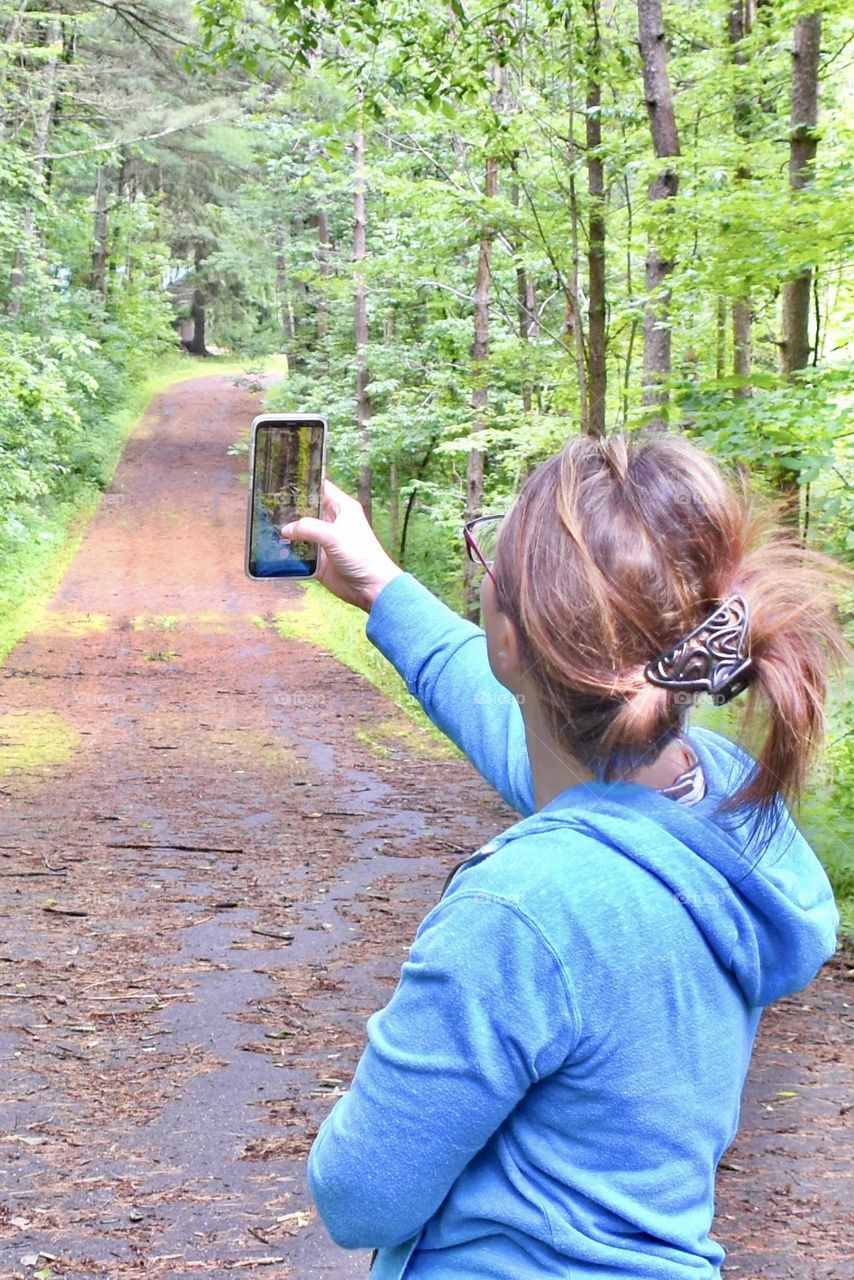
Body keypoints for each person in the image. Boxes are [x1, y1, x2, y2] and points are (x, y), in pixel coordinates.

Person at [280, 432, 848, 1279]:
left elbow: (363, 1195)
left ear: (510, 639)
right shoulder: (724, 806)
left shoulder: (518, 912)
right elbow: (524, 735)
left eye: (487, 566)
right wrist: (383, 590)